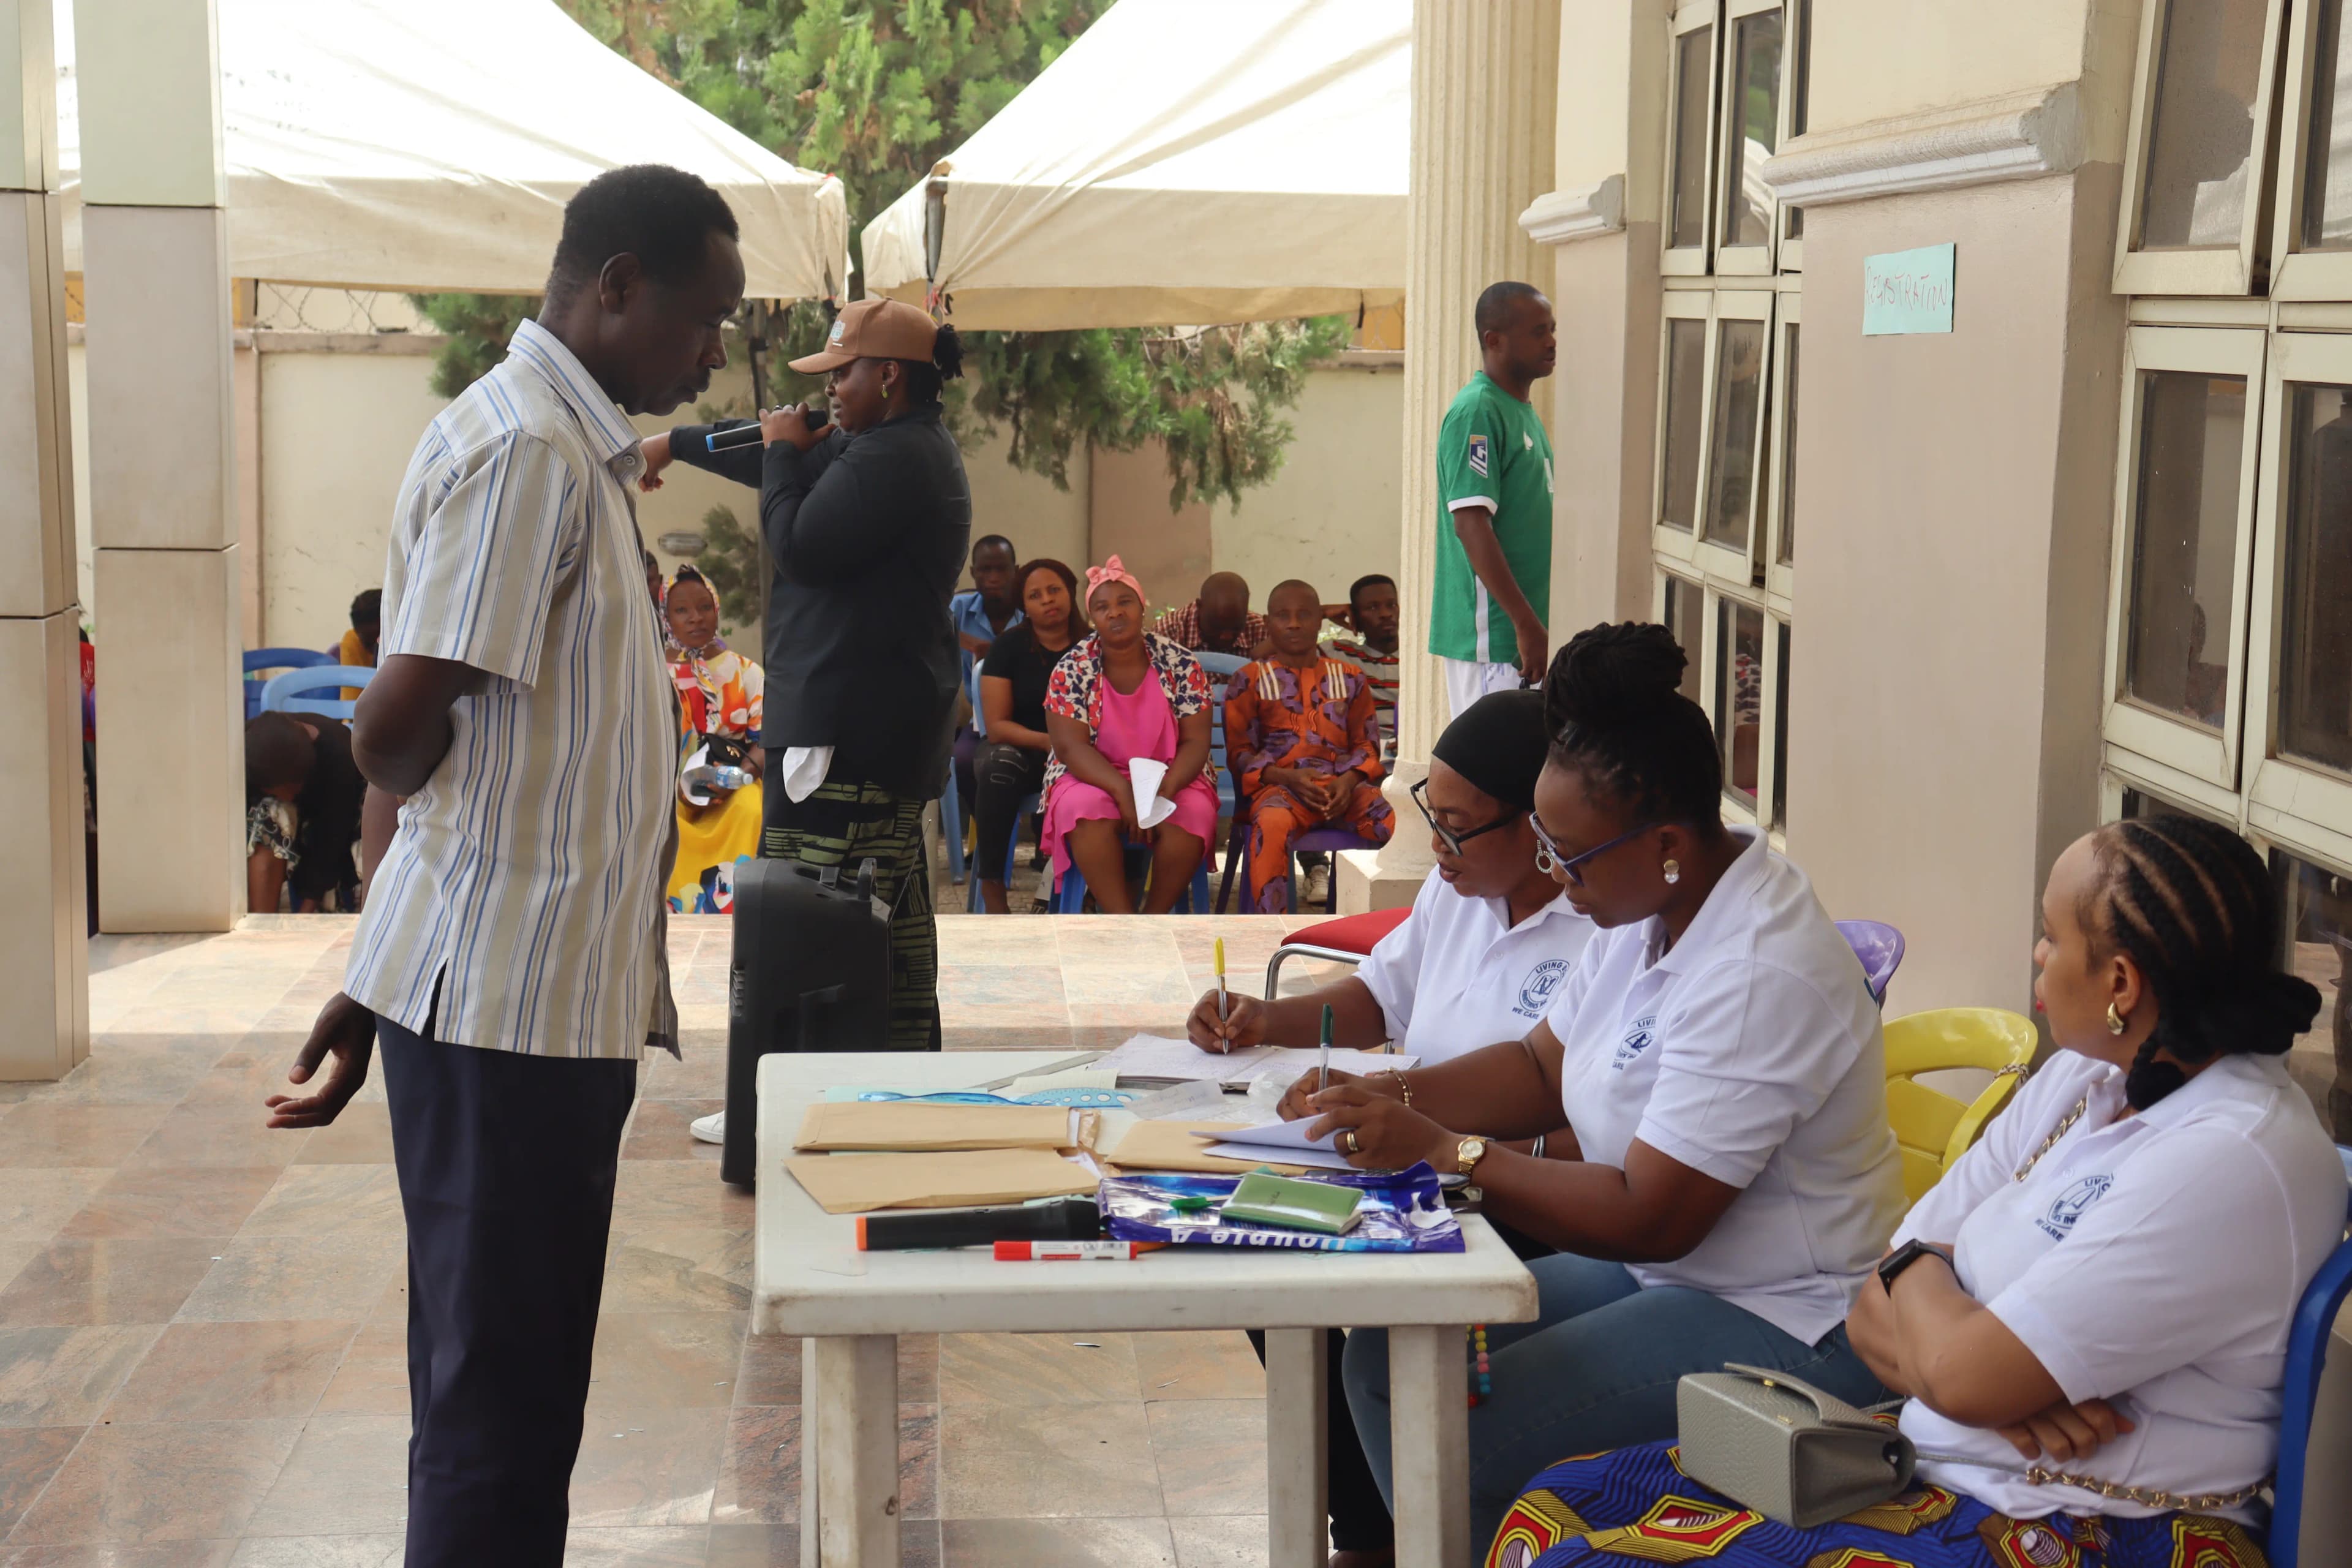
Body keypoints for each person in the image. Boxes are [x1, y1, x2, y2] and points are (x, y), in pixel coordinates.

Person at [263, 164, 739, 1567]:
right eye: (703, 319)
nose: (711, 351)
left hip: (510, 996)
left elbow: (470, 753)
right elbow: (399, 730)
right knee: (497, 1405)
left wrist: (382, 969)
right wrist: (410, 964)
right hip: (505, 1010)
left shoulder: (551, 438)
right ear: (614, 287)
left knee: (512, 1390)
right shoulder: (529, 449)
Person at [1487, 815, 2346, 1568]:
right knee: (1558, 1506)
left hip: (2092, 1529)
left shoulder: (2230, 1157)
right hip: (1945, 1473)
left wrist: (1949, 1342)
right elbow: (1880, 1301)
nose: (2035, 956)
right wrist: (1959, 1360)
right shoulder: (2085, 1081)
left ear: (2121, 984)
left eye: (2051, 937)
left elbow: (1936, 1332)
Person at [1292, 622, 1901, 1551]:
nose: (1552, 873)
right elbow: (1541, 1065)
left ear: (1663, 842)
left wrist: (1445, 1151)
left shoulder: (1757, 969)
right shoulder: (1644, 900)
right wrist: (1386, 1097)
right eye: (1542, 840)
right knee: (1389, 1355)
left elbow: (1651, 1214)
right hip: (1669, 1271)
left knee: (1462, 1416)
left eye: (1566, 854)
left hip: (1786, 1312)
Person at [1187, 687, 1589, 1568]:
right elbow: (1379, 993)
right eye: (1430, 820)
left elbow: (1588, 1127)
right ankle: (1367, 1532)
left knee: (1336, 1301)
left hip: (1517, 1184)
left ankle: (1394, 1539)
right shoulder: (1460, 891)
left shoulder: (1600, 926)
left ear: (1541, 826)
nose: (1436, 849)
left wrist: (1427, 1130)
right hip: (1431, 1153)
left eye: (1458, 828)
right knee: (1257, 1242)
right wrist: (1264, 1019)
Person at [647, 294, 971, 1054]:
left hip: (847, 734)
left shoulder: (897, 457)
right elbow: (772, 447)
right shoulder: (883, 444)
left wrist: (785, 452)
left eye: (842, 371)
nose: (829, 386)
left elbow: (799, 542)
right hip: (867, 724)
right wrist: (671, 443)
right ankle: (898, 1087)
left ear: (889, 374)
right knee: (884, 926)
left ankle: (804, 1093)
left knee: (819, 932)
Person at [1041, 556, 1218, 913]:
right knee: (1083, 809)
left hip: (1171, 775)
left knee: (1194, 811)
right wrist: (1122, 790)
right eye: (1103, 607)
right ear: (1092, 618)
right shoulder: (1072, 667)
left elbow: (1196, 741)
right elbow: (1070, 746)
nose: (1115, 613)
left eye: (1125, 602)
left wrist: (1161, 792)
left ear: (1142, 607)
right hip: (1092, 776)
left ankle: (1154, 920)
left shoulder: (1181, 663)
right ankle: (1121, 922)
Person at [1223, 579, 1394, 913]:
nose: (1294, 623)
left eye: (1305, 614)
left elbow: (1366, 745)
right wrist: (1287, 778)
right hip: (1281, 793)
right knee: (1270, 826)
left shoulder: (1349, 677)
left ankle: (1399, 928)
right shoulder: (1249, 679)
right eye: (1283, 615)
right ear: (1268, 624)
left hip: (1343, 794)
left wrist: (1348, 782)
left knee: (1404, 826)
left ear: (1320, 621)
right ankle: (1271, 935)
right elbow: (1239, 754)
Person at [1434, 281, 1556, 717]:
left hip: (1523, 635)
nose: (1551, 341)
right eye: (1538, 331)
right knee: (1491, 779)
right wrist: (1524, 624)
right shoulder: (1477, 412)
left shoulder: (1519, 410)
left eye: (1552, 329)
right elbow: (1470, 523)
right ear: (1494, 340)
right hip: (1497, 639)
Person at [971, 557, 1085, 913]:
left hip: (1083, 755)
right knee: (998, 767)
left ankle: (1088, 891)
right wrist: (1052, 743)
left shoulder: (1093, 646)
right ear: (1025, 606)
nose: (1048, 600)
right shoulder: (1008, 648)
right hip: (1023, 749)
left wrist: (1073, 748)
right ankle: (992, 890)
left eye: (1055, 590)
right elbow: (997, 726)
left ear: (1070, 592)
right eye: (1036, 595)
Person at [662, 565, 765, 915]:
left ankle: (741, 911)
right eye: (682, 610)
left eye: (704, 607)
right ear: (666, 617)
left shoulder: (745, 672)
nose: (695, 618)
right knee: (659, 820)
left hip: (734, 786)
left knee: (752, 809)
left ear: (717, 609)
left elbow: (767, 740)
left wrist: (738, 777)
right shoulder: (649, 674)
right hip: (668, 792)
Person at [243, 710, 365, 914]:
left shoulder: (338, 759)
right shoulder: (247, 751)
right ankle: (261, 924)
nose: (290, 797)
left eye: (294, 789)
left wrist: (304, 915)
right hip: (288, 825)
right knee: (270, 817)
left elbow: (332, 840)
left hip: (339, 820)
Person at [949, 533, 1022, 827]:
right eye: (985, 569)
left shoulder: (1029, 610)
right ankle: (990, 830)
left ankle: (1045, 845)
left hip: (1031, 718)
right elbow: (926, 620)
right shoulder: (961, 608)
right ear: (973, 573)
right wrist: (970, 643)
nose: (993, 577)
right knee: (963, 760)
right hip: (982, 723)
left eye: (1001, 569)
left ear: (1016, 571)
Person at [1322, 572, 1401, 745]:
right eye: (1373, 608)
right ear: (1355, 617)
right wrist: (1324, 612)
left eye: (1392, 605)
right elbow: (1267, 650)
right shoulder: (1339, 653)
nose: (1386, 614)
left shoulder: (1422, 657)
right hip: (1364, 753)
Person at [1153, 568, 1269, 657]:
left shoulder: (1261, 630)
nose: (1226, 637)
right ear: (1200, 606)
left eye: (1236, 628)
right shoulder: (1170, 632)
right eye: (1217, 627)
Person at [338, 587, 380, 700]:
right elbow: (352, 706)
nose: (376, 649)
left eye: (381, 639)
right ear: (357, 632)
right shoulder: (352, 642)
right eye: (369, 644)